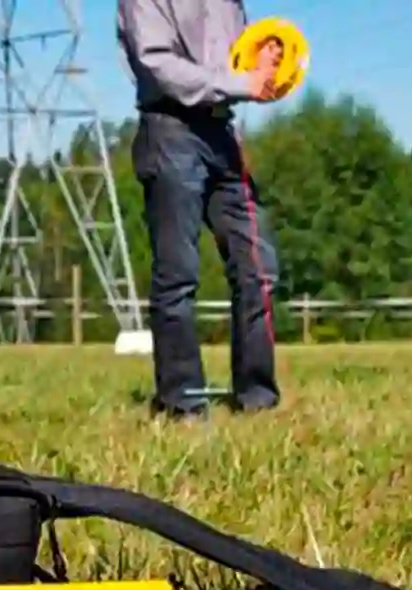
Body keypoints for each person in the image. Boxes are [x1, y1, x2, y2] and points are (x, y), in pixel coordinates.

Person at [118, 0, 283, 418]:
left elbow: (237, 62)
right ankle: (182, 403)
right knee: (178, 273)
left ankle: (258, 398)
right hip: (169, 129)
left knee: (258, 266)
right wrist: (240, 82)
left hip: (222, 133)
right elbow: (159, 64)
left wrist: (265, 65)